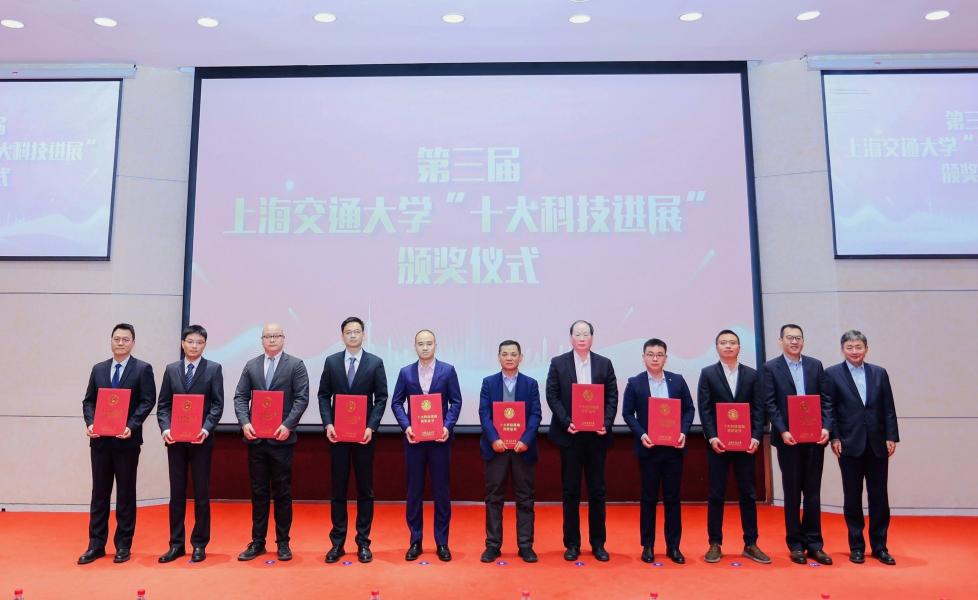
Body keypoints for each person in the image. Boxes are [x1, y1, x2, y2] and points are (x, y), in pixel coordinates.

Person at [79, 323, 157, 565]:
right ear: (111, 341)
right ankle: (96, 544)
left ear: (133, 342)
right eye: (116, 339)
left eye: (125, 339)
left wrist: (131, 425)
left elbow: (148, 400)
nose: (120, 343)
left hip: (126, 442)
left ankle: (123, 545)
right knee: (99, 494)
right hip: (100, 442)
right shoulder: (99, 369)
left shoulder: (142, 369)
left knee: (125, 493)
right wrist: (91, 423)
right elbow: (88, 401)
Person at [233, 323, 309, 562]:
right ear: (262, 340)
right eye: (267, 336)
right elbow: (240, 396)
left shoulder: (296, 365)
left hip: (282, 440)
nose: (272, 339)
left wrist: (288, 425)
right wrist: (245, 422)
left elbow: (301, 398)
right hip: (256, 439)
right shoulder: (251, 365)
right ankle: (258, 542)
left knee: (282, 492)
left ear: (283, 338)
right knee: (258, 492)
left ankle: (283, 542)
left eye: (276, 335)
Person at [545, 320, 618, 562]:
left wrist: (606, 422)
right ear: (571, 338)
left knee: (597, 491)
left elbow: (612, 396)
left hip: (597, 438)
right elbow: (552, 395)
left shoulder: (604, 364)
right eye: (578, 334)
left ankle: (598, 544)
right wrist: (566, 421)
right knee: (571, 491)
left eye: (586, 334)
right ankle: (572, 544)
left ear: (592, 338)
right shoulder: (558, 363)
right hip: (570, 437)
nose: (582, 338)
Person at [761, 324, 834, 565]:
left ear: (803, 341)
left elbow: (826, 400)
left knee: (812, 492)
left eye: (798, 338)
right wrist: (782, 430)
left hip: (814, 439)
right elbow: (770, 404)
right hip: (788, 440)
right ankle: (795, 544)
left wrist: (826, 427)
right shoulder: (770, 368)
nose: (794, 341)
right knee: (792, 493)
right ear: (780, 341)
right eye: (790, 338)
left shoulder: (815, 365)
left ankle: (814, 544)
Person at [318, 316, 389, 564]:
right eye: (348, 332)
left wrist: (371, 426)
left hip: (364, 438)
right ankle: (337, 543)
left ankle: (363, 542)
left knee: (364, 490)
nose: (352, 335)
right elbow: (323, 395)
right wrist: (328, 423)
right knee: (338, 489)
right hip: (337, 436)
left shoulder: (375, 363)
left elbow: (381, 397)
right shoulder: (331, 362)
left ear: (363, 335)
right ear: (342, 335)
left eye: (356, 331)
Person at [696, 329, 771, 564]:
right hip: (718, 445)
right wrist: (712, 437)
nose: (728, 346)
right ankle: (714, 543)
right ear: (716, 347)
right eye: (723, 342)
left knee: (748, 494)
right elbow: (705, 408)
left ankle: (751, 543)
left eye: (732, 342)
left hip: (746, 444)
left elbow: (759, 408)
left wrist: (756, 437)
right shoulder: (708, 373)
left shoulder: (752, 375)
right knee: (716, 494)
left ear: (739, 347)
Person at [826, 330, 899, 565]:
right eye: (850, 347)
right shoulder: (832, 374)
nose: (854, 351)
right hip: (848, 444)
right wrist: (834, 438)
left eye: (858, 347)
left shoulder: (879, 373)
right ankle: (856, 546)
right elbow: (830, 410)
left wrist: (891, 436)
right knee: (852, 497)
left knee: (879, 497)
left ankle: (880, 547)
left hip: (878, 443)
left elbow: (888, 407)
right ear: (842, 350)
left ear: (866, 348)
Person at [390, 329, 463, 562]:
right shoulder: (405, 372)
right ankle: (415, 540)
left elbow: (456, 401)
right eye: (420, 343)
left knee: (441, 492)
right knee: (414, 492)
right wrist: (406, 426)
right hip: (414, 441)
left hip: (440, 441)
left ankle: (442, 542)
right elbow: (396, 402)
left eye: (429, 343)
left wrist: (447, 426)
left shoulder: (448, 371)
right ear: (415, 346)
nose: (424, 347)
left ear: (435, 345)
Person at [156, 324, 224, 564]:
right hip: (175, 441)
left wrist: (205, 429)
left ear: (205, 345)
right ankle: (176, 544)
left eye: (199, 342)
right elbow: (163, 405)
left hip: (201, 441)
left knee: (201, 494)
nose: (195, 346)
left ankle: (199, 544)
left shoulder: (213, 369)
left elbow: (217, 405)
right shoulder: (171, 370)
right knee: (176, 494)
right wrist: (166, 429)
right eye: (191, 341)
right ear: (182, 343)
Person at [622, 338, 694, 564]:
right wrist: (641, 434)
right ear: (643, 357)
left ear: (666, 358)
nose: (655, 358)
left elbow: (689, 409)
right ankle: (648, 545)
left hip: (673, 450)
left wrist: (683, 431)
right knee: (648, 498)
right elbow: (627, 413)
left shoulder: (677, 381)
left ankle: (673, 546)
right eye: (651, 354)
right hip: (649, 450)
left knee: (673, 498)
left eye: (659, 354)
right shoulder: (635, 383)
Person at [477, 340, 542, 563]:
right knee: (494, 498)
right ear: (499, 357)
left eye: (513, 354)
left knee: (525, 499)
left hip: (523, 449)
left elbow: (535, 415)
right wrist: (494, 439)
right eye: (505, 354)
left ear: (521, 357)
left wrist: (526, 440)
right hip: (496, 449)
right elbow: (484, 414)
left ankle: (525, 546)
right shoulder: (488, 383)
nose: (509, 358)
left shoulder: (530, 384)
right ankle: (493, 545)